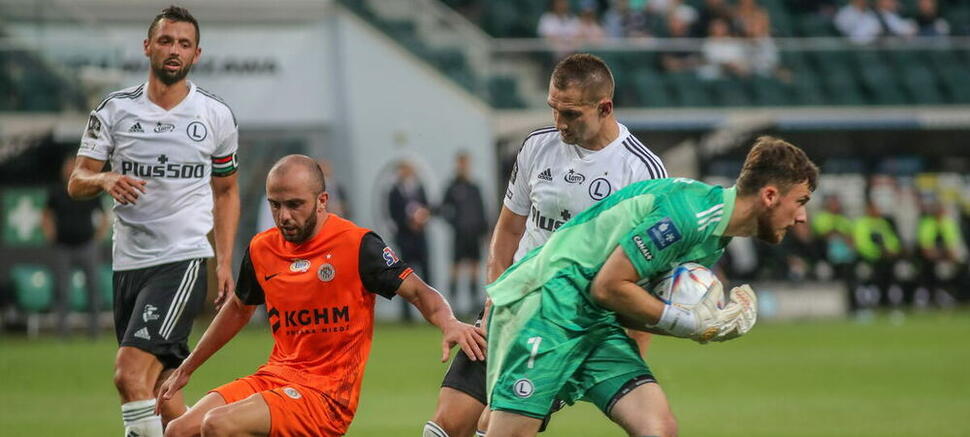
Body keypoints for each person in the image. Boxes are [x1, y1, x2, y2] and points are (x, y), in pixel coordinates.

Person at [485, 136, 818, 437]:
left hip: (595, 319)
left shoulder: (716, 235)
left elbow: (631, 301)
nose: (802, 217)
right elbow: (609, 285)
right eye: (801, 201)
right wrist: (688, 322)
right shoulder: (689, 216)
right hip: (547, 303)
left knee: (657, 427)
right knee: (505, 432)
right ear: (770, 195)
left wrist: (706, 327)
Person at [425, 53, 667, 437]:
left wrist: (632, 355)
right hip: (512, 306)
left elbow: (646, 275)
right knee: (445, 427)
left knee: (494, 427)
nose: (559, 123)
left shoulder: (641, 172)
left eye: (571, 114)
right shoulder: (537, 147)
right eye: (553, 109)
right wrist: (495, 300)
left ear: (605, 107)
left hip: (568, 327)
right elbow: (507, 232)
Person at [159, 155, 486, 437]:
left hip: (326, 395)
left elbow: (419, 291)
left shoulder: (357, 245)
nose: (284, 216)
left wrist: (449, 322)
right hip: (276, 376)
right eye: (276, 205)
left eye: (295, 204)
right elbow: (238, 309)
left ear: (322, 201)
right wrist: (188, 367)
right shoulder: (262, 249)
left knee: (218, 425)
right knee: (179, 430)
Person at [66, 6, 240, 437]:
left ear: (196, 53)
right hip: (128, 262)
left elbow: (227, 191)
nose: (174, 50)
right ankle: (229, 429)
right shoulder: (115, 110)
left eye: (184, 43)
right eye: (165, 41)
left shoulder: (214, 115)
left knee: (129, 374)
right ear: (148, 47)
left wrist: (222, 261)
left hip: (182, 259)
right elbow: (77, 180)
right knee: (163, 393)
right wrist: (105, 178)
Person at [43, 154, 111, 338]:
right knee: (62, 290)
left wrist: (98, 237)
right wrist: (51, 235)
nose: (70, 170)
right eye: (68, 167)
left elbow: (104, 216)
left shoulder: (88, 189)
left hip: (87, 245)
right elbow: (46, 215)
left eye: (73, 167)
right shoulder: (56, 191)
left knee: (93, 289)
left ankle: (95, 332)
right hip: (63, 246)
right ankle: (63, 333)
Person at [439, 152, 488, 316]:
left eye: (465, 163)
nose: (463, 166)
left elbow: (482, 211)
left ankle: (474, 303)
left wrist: (485, 231)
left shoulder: (475, 187)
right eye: (461, 163)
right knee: (456, 267)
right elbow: (443, 209)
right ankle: (452, 304)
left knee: (474, 267)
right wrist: (454, 224)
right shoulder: (452, 187)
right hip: (459, 235)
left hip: (474, 235)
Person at [388, 160, 432, 322]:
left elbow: (427, 207)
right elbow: (392, 214)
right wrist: (408, 222)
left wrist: (422, 219)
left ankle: (430, 310)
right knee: (404, 276)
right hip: (405, 238)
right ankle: (407, 315)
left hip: (420, 237)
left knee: (426, 274)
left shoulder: (419, 188)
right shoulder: (394, 191)